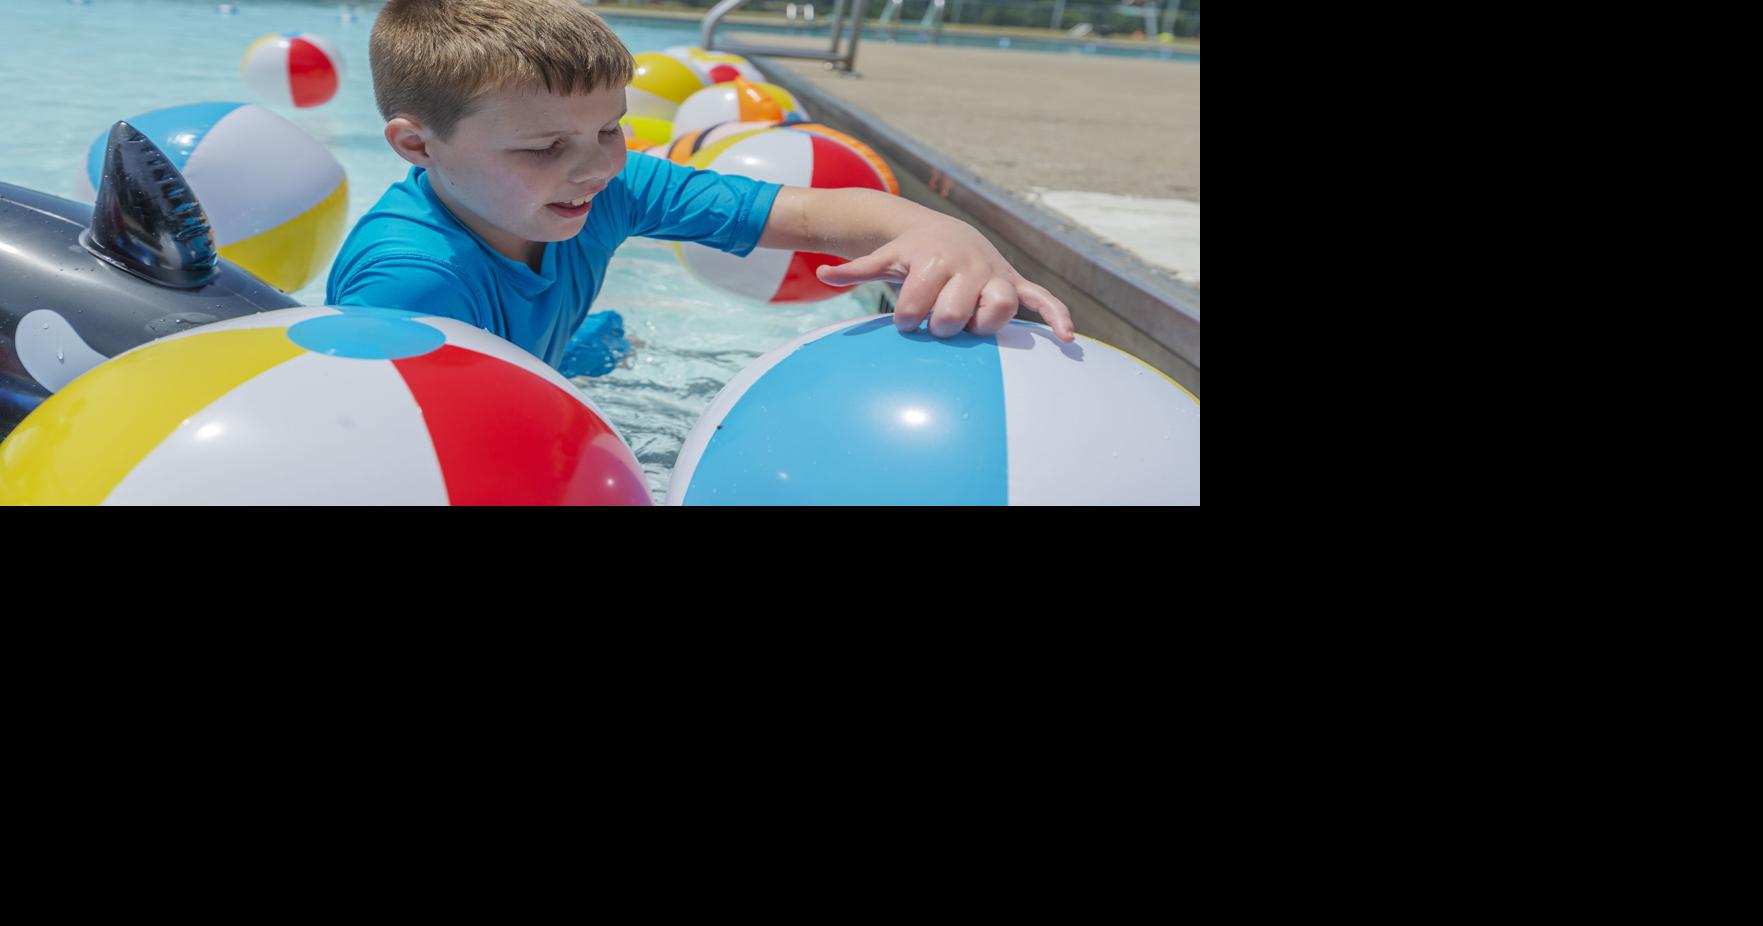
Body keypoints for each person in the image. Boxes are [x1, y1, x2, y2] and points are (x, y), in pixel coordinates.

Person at [326, 0, 1075, 372]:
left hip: (539, 356)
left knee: (609, 342)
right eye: (545, 147)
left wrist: (938, 231)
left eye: (611, 129)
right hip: (469, 381)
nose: (596, 166)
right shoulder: (411, 285)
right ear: (417, 145)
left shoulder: (608, 189)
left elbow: (808, 216)